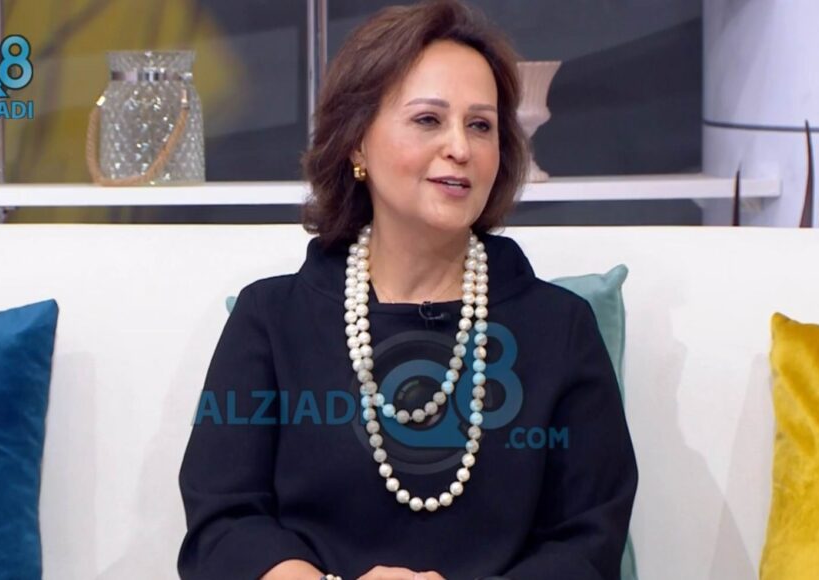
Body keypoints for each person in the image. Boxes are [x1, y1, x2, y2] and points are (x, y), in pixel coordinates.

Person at [177, 1, 637, 578]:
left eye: (481, 125)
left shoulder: (560, 328)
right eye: (428, 120)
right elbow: (223, 523)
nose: (460, 148)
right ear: (356, 143)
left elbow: (588, 542)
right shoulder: (270, 318)